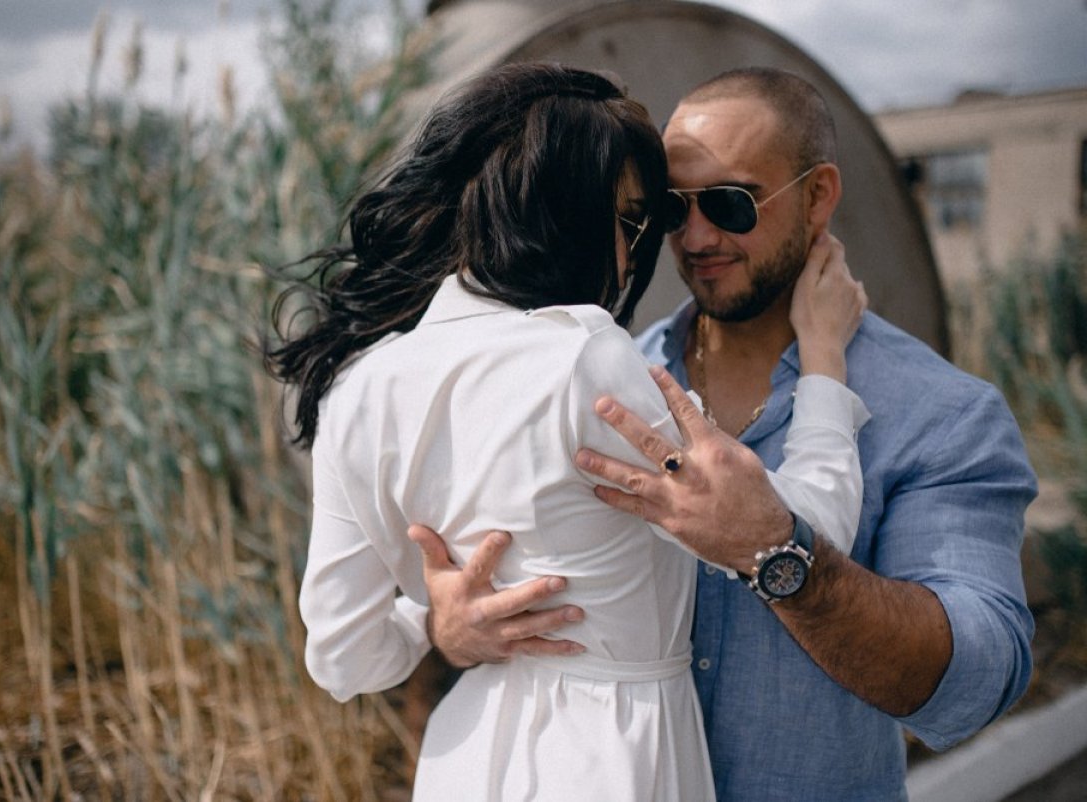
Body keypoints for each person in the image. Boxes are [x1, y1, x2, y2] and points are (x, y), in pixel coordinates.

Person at [410, 67, 1038, 801]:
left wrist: (776, 555)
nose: (698, 236)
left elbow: (977, 680)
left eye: (731, 203)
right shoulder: (596, 381)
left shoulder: (941, 412)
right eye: (672, 209)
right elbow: (480, 567)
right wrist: (453, 626)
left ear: (818, 196)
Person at [266, 62, 870, 801]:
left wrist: (441, 623)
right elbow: (814, 530)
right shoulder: (584, 357)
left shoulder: (358, 386)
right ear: (566, 214)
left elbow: (342, 660)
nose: (631, 252)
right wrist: (824, 360)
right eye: (630, 220)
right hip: (610, 758)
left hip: (465, 762)